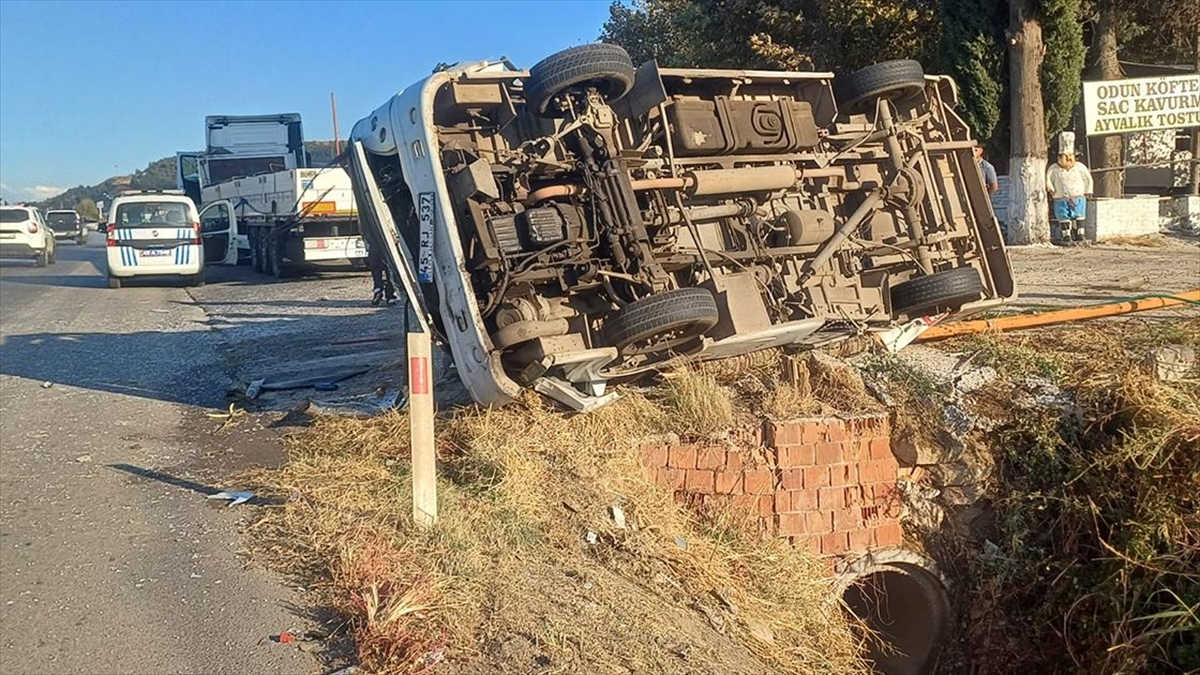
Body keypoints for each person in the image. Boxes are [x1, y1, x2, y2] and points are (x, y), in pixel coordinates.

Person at [1045, 131, 1094, 245]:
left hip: (1078, 197)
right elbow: (1048, 179)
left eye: (1070, 156)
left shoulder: (1080, 167)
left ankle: (1080, 234)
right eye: (1064, 156)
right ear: (1059, 157)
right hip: (1061, 198)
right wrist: (1050, 188)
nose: (1068, 159)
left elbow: (1088, 178)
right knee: (1063, 216)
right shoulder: (1054, 169)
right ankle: (1066, 235)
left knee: (1079, 216)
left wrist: (1088, 190)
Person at [366, 237, 397, 306]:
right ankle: (390, 296)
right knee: (389, 271)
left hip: (374, 245)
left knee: (376, 270)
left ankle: (378, 289)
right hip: (387, 245)